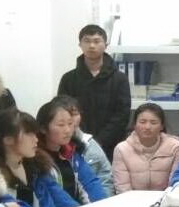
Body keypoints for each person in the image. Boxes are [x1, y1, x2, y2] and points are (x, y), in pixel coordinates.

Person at [0, 109, 78, 207]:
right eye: (29, 134)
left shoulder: (37, 165)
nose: (36, 140)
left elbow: (62, 200)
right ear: (8, 140)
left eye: (35, 134)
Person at [56, 24, 130, 154]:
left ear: (105, 45)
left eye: (96, 41)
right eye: (87, 41)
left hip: (111, 145)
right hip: (76, 143)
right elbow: (63, 112)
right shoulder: (68, 79)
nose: (91, 45)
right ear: (80, 45)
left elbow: (122, 115)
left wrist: (99, 142)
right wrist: (81, 138)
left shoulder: (120, 79)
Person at [36, 98, 107, 206]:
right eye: (61, 125)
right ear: (43, 128)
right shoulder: (37, 159)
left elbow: (90, 182)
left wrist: (102, 206)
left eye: (70, 124)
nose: (68, 130)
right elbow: (58, 198)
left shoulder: (72, 153)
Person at [111, 103, 179, 193]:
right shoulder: (122, 149)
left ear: (162, 126)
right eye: (142, 122)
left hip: (166, 198)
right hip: (131, 199)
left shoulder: (174, 147)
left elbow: (175, 184)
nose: (147, 127)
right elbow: (122, 187)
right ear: (134, 125)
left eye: (153, 123)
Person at [55, 95, 114, 196]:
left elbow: (105, 179)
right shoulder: (51, 147)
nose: (72, 119)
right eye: (67, 115)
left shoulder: (88, 144)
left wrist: (104, 203)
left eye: (75, 114)